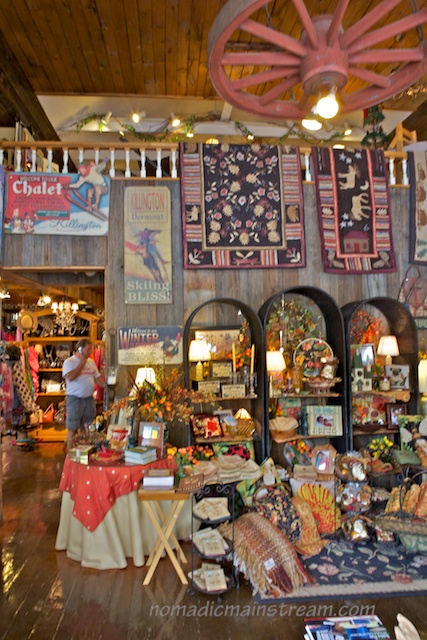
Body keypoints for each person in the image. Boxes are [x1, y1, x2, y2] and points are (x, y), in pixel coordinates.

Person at [62, 338, 105, 449]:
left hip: (89, 399)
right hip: (75, 399)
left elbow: (97, 378)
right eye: (88, 349)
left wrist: (107, 385)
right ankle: (70, 453)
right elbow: (70, 377)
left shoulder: (91, 362)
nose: (90, 351)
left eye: (91, 349)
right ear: (80, 349)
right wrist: (81, 363)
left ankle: (85, 451)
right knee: (73, 428)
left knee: (87, 427)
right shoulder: (69, 362)